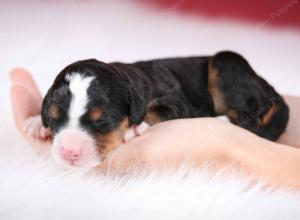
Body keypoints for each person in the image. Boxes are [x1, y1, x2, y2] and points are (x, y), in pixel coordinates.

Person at [10, 68, 300, 190]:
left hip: (224, 74)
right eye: (56, 118)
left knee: (224, 69)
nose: (70, 147)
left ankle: (250, 117)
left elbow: (169, 108)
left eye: (99, 122)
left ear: (132, 110)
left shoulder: (143, 97)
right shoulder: (115, 89)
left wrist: (228, 145)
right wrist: (45, 121)